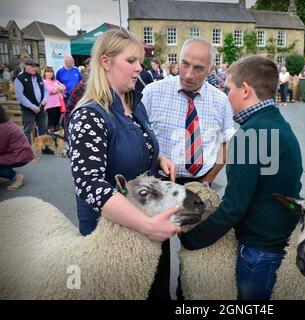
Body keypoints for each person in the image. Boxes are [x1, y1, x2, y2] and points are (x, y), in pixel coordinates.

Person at [66, 29, 182, 298]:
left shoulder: (134, 103)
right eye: (131, 61)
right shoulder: (88, 116)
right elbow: (90, 185)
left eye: (140, 62)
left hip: (150, 226)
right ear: (105, 62)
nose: (139, 68)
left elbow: (136, 144)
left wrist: (159, 157)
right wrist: (146, 225)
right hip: (115, 237)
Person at [179, 55, 303, 300]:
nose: (226, 96)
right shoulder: (277, 124)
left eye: (228, 88)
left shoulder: (250, 135)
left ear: (245, 90)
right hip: (278, 238)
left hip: (260, 249)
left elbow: (234, 208)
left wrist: (191, 240)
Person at [141, 37, 235, 300]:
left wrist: (208, 179)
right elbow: (141, 138)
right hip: (160, 184)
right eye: (184, 64)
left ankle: (186, 299)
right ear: (177, 61)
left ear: (211, 69)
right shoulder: (152, 93)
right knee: (155, 252)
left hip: (198, 184)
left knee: (196, 253)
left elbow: (226, 143)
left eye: (198, 68)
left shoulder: (220, 101)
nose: (189, 74)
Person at [13, 59, 49, 143]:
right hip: (28, 110)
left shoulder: (39, 76)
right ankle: (27, 151)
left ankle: (44, 148)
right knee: (27, 131)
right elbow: (20, 96)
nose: (34, 68)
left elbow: (45, 90)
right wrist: (32, 106)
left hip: (41, 108)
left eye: (35, 66)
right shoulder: (19, 78)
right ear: (26, 66)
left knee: (43, 129)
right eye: (32, 66)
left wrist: (45, 99)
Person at [0, 105, 34, 190]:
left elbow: (1, 148)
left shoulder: (2, 128)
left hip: (20, 155)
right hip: (20, 152)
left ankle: (16, 176)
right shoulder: (6, 124)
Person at [42, 66, 66, 131]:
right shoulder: (43, 81)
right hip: (50, 104)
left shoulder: (56, 81)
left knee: (57, 121)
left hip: (58, 103)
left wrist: (57, 90)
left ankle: (57, 136)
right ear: (45, 73)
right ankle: (51, 136)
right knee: (51, 122)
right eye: (48, 72)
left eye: (51, 72)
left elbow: (63, 87)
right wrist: (58, 89)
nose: (50, 73)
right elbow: (50, 91)